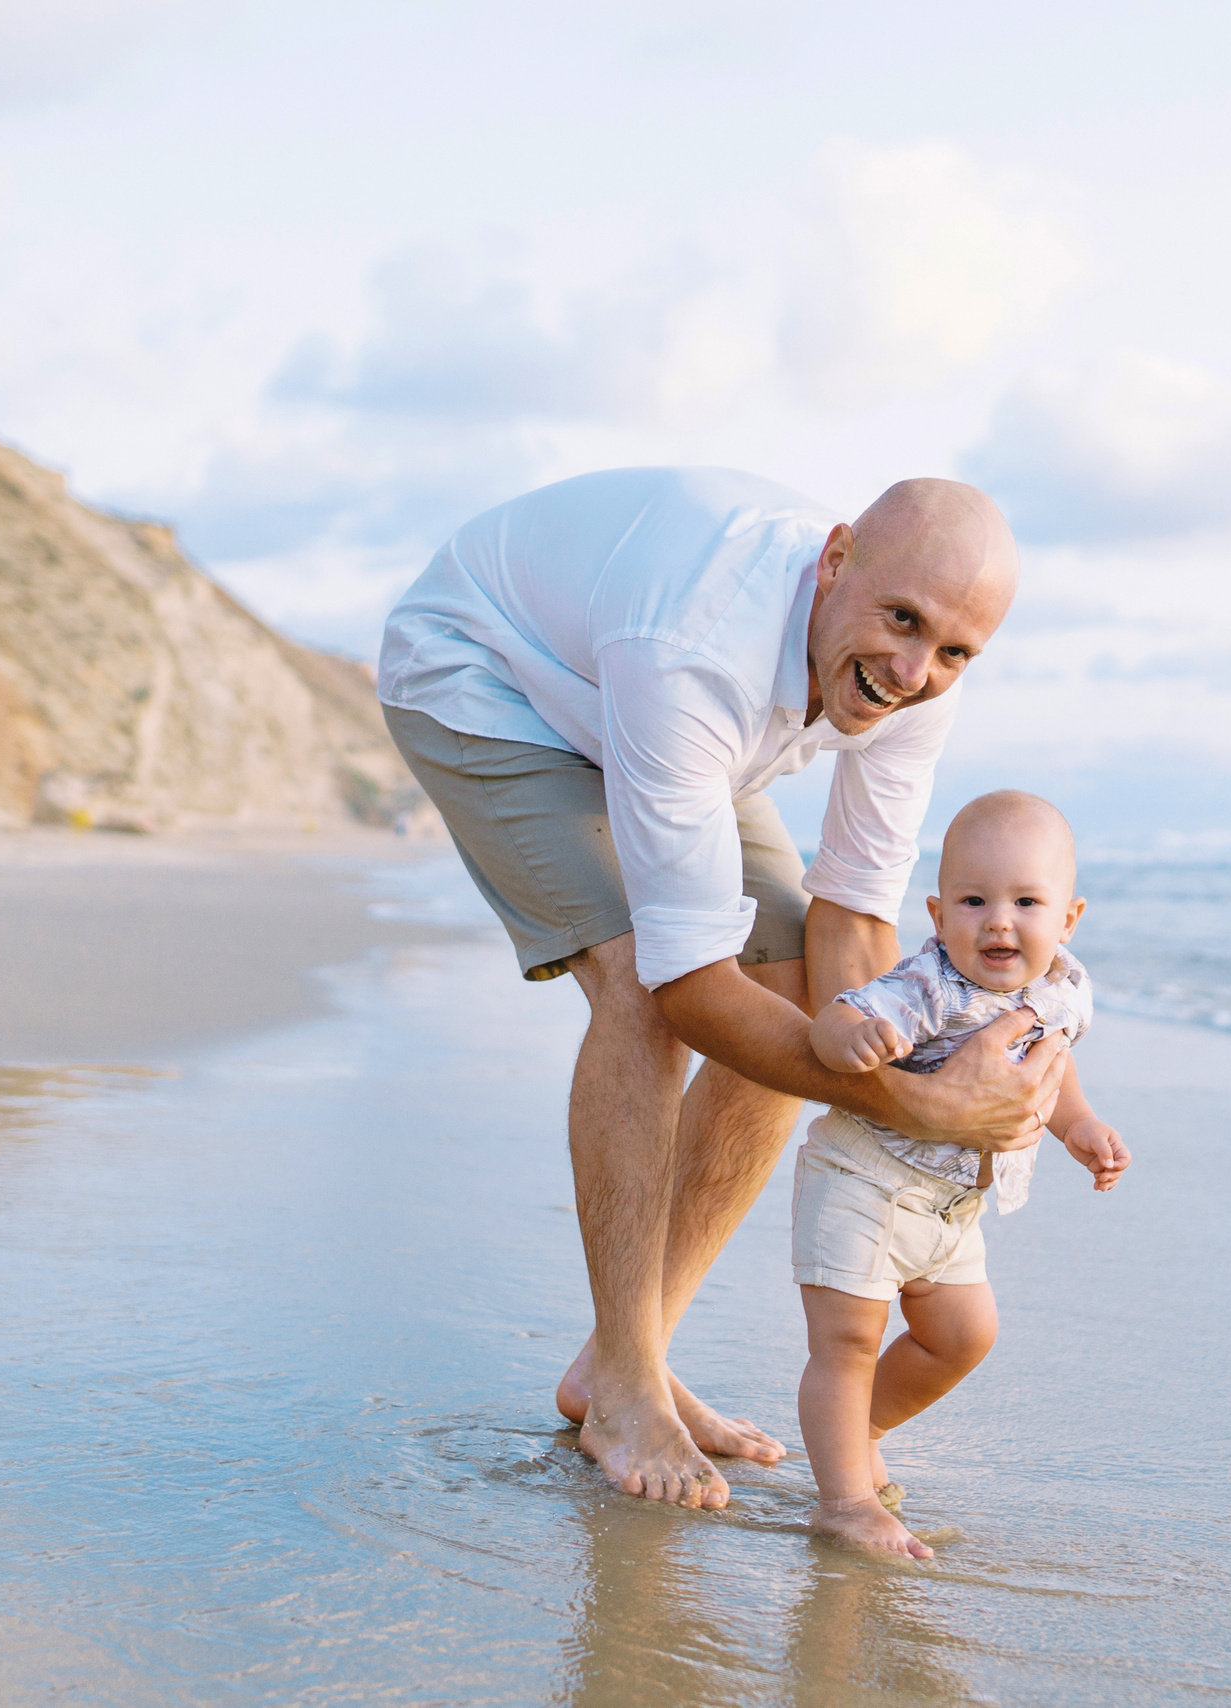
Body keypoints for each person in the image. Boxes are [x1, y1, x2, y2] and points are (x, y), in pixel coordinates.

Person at [376, 467, 1065, 1510]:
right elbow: (689, 986)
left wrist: (914, 1079)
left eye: (954, 650)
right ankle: (624, 1386)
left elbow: (853, 918)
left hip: (648, 711)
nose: (914, 669)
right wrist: (921, 1107)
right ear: (836, 560)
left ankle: (623, 1358)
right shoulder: (695, 644)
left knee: (794, 985)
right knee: (638, 986)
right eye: (901, 619)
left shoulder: (919, 677)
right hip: (488, 673)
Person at [793, 789, 1129, 1556]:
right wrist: (850, 1038)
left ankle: (861, 1429)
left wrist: (1079, 1124)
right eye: (975, 901)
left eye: (1026, 902)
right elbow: (841, 1013)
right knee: (849, 1340)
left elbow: (1055, 1063)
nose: (999, 921)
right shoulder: (930, 985)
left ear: (1069, 919)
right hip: (866, 1179)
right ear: (939, 916)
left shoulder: (1064, 988)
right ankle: (844, 1500)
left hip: (952, 1206)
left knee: (963, 1336)